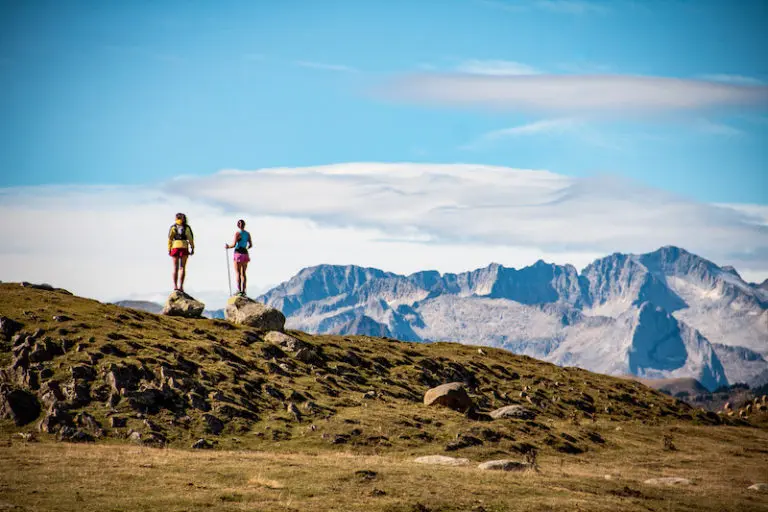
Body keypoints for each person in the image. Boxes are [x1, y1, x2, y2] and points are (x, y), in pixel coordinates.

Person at [168, 213, 194, 292]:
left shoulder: (173, 227)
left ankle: (175, 286)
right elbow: (190, 238)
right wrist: (192, 247)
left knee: (175, 268)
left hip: (175, 246)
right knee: (182, 267)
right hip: (184, 247)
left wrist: (169, 249)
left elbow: (170, 238)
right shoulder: (187, 227)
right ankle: (181, 286)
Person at [225, 219, 252, 296]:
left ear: (238, 225)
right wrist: (245, 247)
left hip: (238, 253)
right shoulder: (247, 234)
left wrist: (227, 246)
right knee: (243, 273)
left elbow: (233, 245)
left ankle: (239, 290)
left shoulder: (237, 233)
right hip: (245, 253)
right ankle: (243, 291)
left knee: (238, 273)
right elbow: (250, 245)